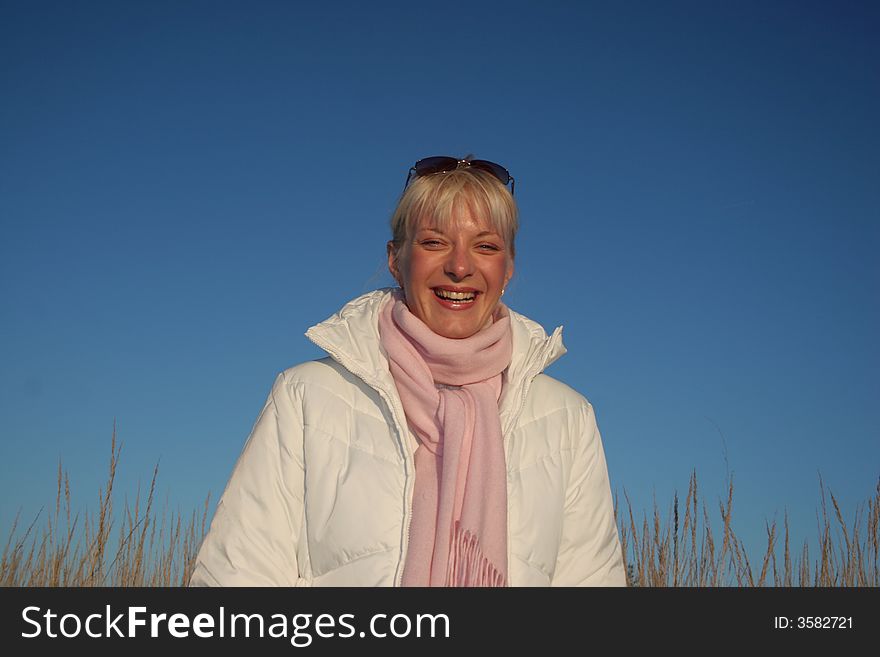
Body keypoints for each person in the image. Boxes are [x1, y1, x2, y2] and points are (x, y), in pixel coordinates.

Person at [190, 156, 626, 587]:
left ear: (508, 268)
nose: (460, 266)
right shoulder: (307, 397)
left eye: (486, 246)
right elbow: (237, 577)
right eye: (434, 242)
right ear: (396, 259)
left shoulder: (566, 418)